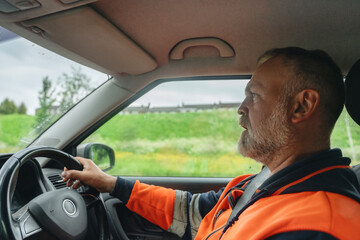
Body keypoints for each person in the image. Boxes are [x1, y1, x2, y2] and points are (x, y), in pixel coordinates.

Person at [62, 47, 360, 239]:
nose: (241, 109)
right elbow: (196, 212)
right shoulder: (264, 182)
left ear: (301, 107)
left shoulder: (320, 227)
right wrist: (110, 183)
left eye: (254, 95)